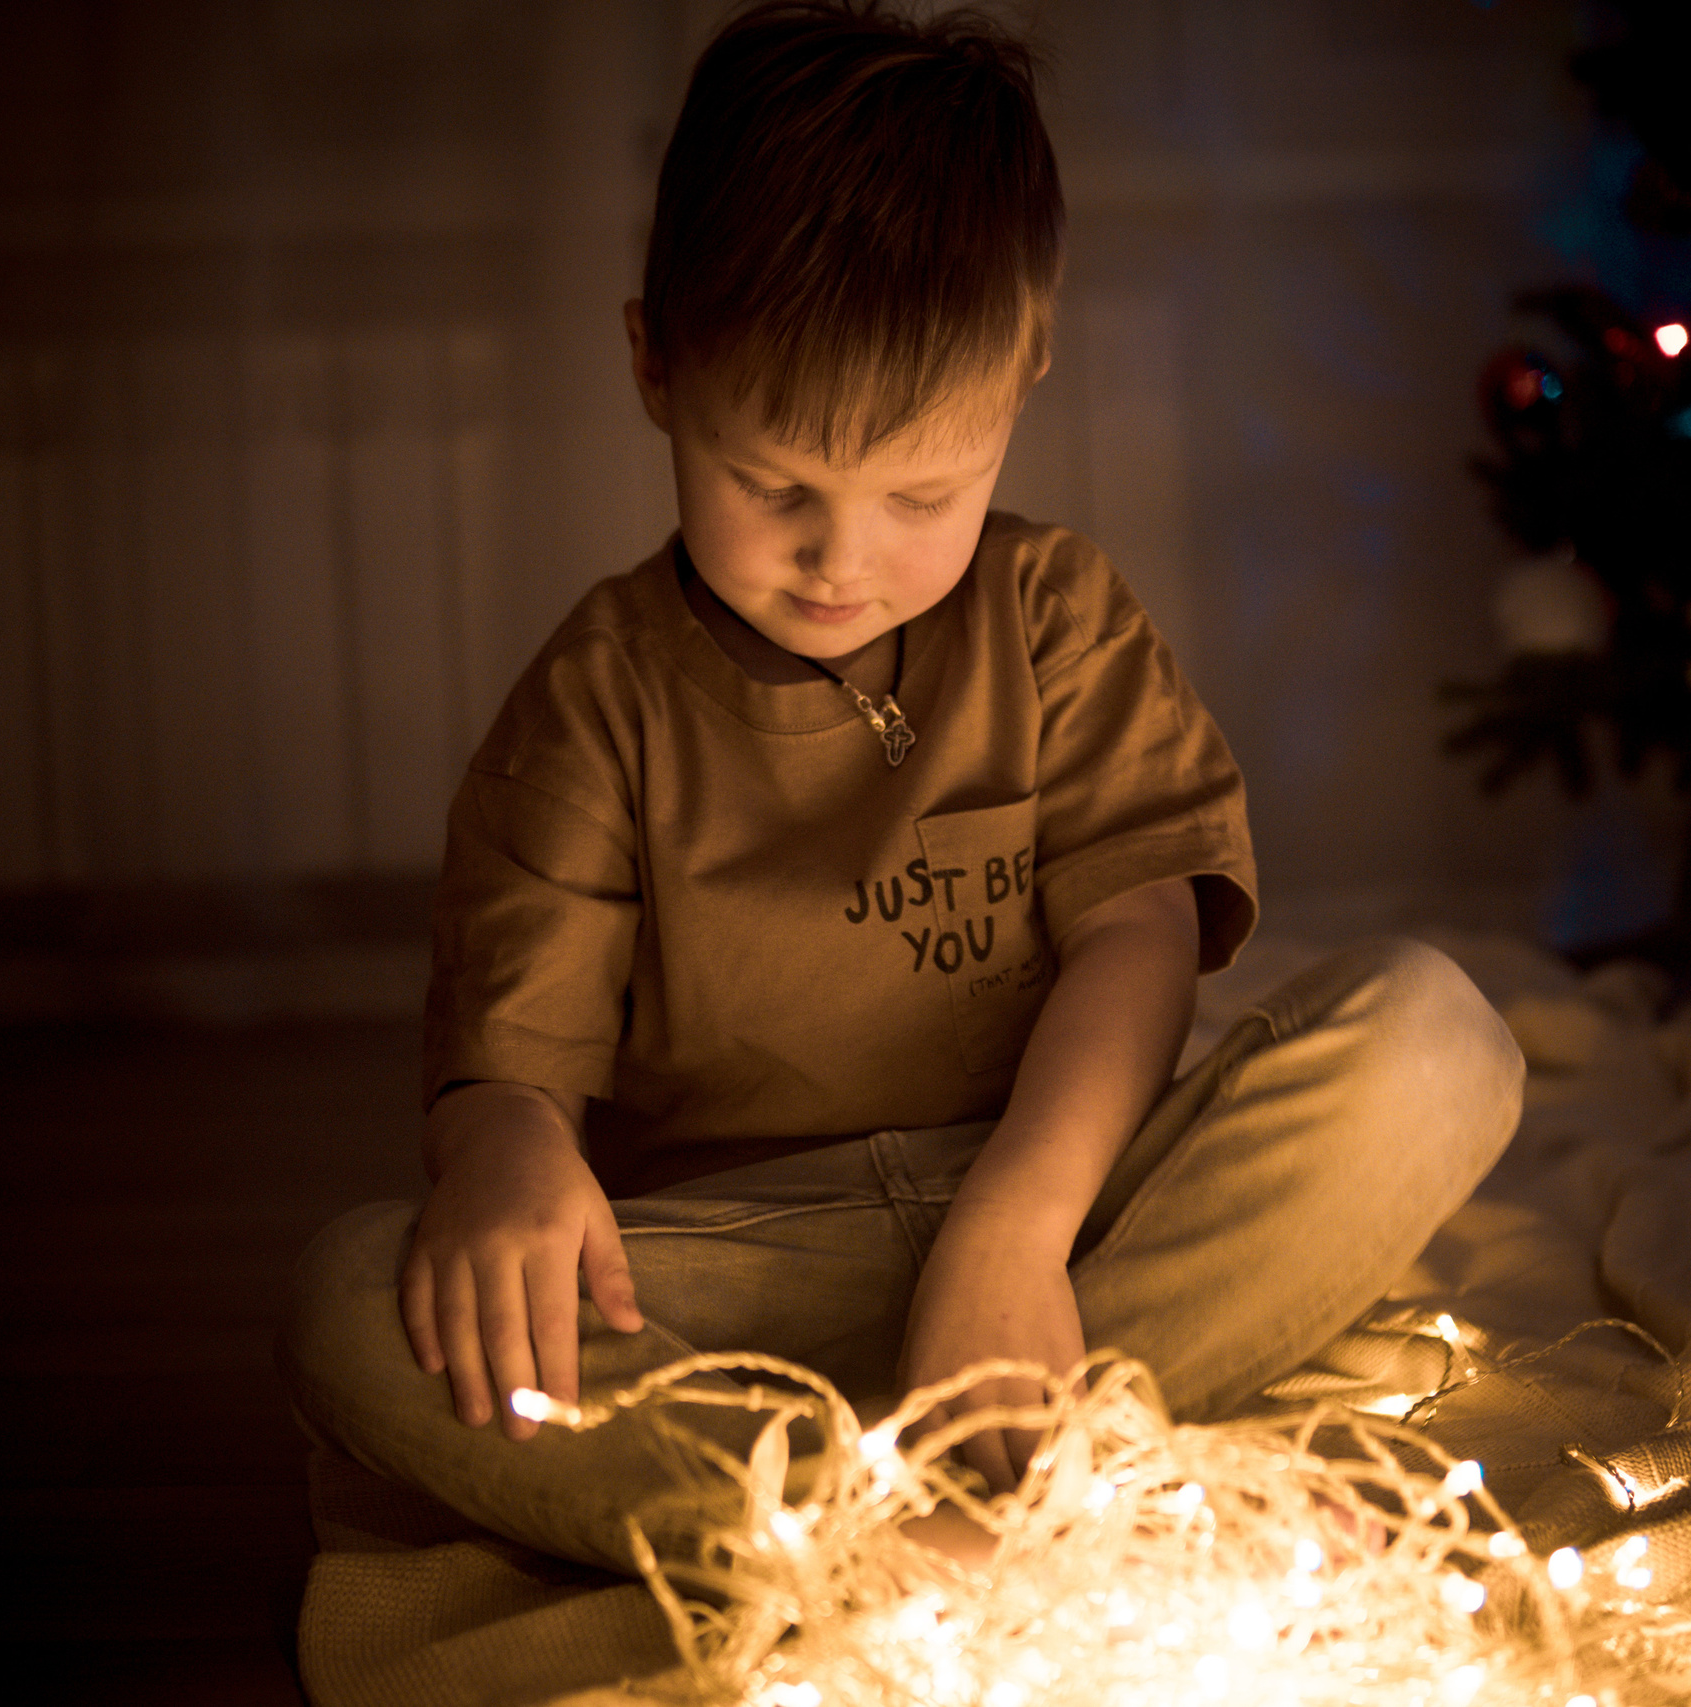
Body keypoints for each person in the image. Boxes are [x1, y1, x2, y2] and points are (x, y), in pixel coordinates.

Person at [282, 0, 1524, 1576]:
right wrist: (506, 1155)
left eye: (921, 494)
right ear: (656, 363)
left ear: (1027, 374)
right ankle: (927, 1521)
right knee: (350, 1301)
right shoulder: (598, 702)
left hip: (1060, 1214)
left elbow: (1141, 933)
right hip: (744, 1272)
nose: (841, 560)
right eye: (772, 484)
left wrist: (1013, 1229)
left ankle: (969, 1456)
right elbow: (508, 1067)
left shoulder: (1058, 621)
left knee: (1437, 1035)